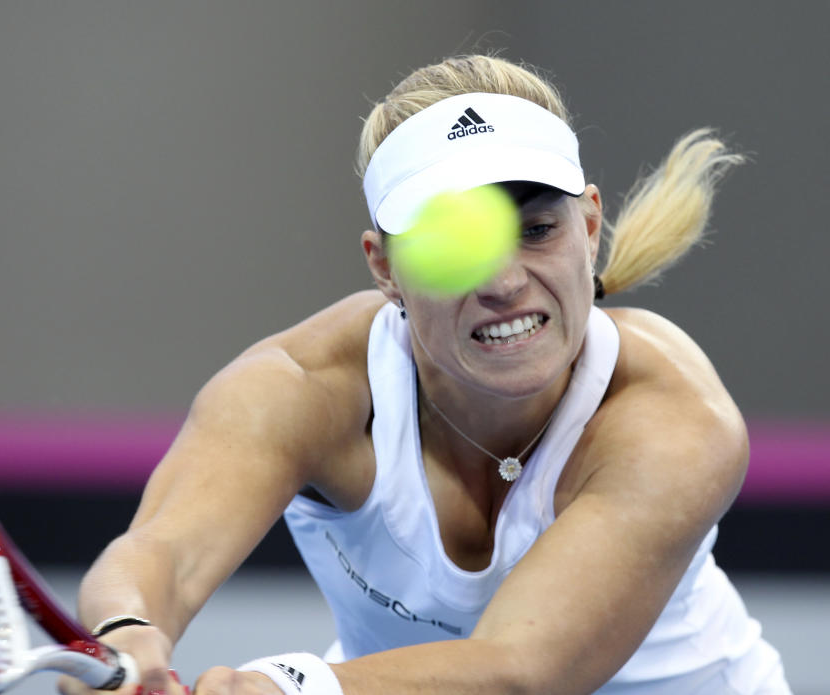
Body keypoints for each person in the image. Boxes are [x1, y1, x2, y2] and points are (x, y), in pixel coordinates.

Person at [58, 55, 791, 695]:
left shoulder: (671, 415)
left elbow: (518, 668)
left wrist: (288, 685)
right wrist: (125, 632)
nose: (505, 281)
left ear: (590, 227)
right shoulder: (299, 387)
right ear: (384, 266)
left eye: (537, 230)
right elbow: (160, 554)